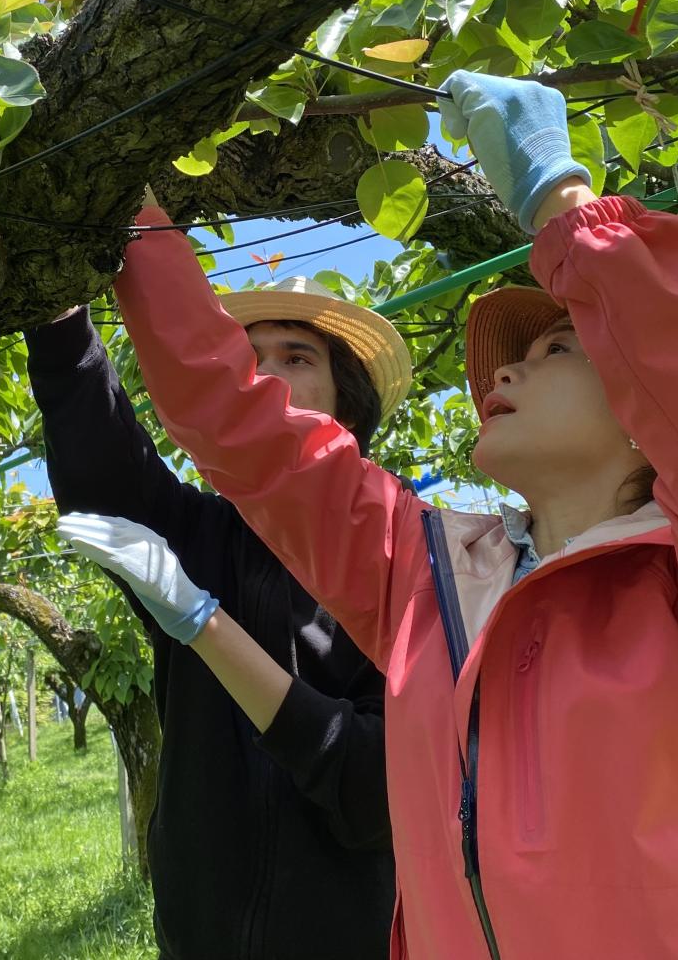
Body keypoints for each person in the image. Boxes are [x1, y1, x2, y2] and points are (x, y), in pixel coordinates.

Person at [100, 70, 678, 958]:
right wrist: (126, 207)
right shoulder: (429, 572)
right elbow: (242, 422)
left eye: (555, 348)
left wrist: (565, 204)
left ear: (643, 411)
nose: (501, 374)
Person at [26, 272, 404, 958]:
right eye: (249, 360)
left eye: (296, 357)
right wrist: (57, 309)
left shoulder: (400, 559)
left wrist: (204, 621)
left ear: (348, 408)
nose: (263, 379)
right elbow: (102, 466)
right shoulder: (197, 533)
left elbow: (376, 793)